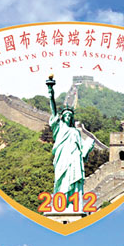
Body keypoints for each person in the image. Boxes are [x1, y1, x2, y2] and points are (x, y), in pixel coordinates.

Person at [46, 76, 94, 211]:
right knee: (62, 179)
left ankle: (74, 203)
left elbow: (82, 149)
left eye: (70, 116)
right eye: (65, 115)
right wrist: (51, 92)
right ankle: (62, 203)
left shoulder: (76, 132)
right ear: (62, 117)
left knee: (74, 179)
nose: (68, 117)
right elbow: (53, 110)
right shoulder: (59, 127)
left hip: (74, 159)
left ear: (72, 118)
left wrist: (87, 148)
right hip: (62, 158)